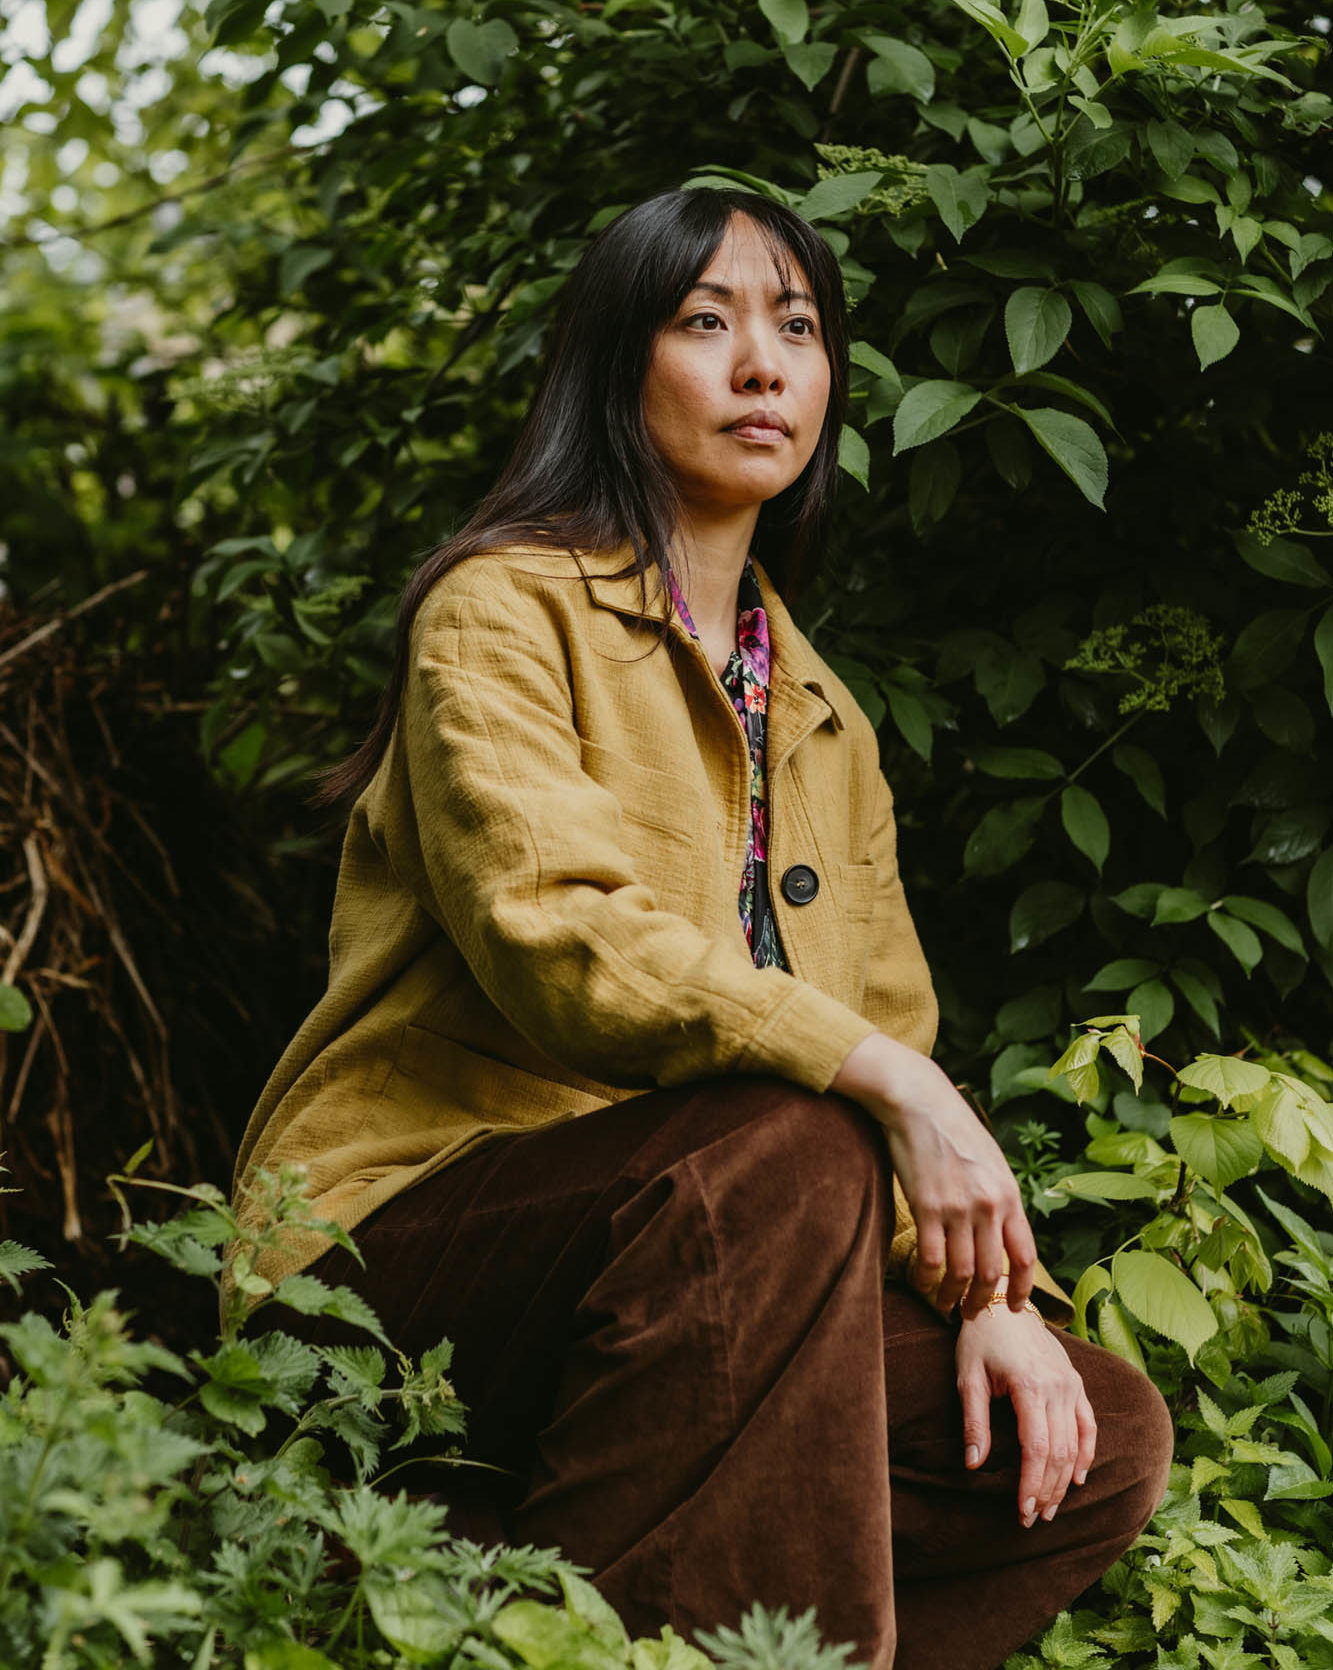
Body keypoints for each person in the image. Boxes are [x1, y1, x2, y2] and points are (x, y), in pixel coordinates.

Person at [231, 187, 1173, 1670]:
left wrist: (986, 1292)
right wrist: (891, 1086)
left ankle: (561, 1603)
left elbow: (890, 1012)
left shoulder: (822, 713)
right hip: (417, 1239)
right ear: (618, 365)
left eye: (796, 328)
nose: (763, 365)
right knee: (783, 1144)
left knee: (1091, 1428)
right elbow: (562, 939)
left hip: (726, 1258)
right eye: (708, 320)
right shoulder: (500, 609)